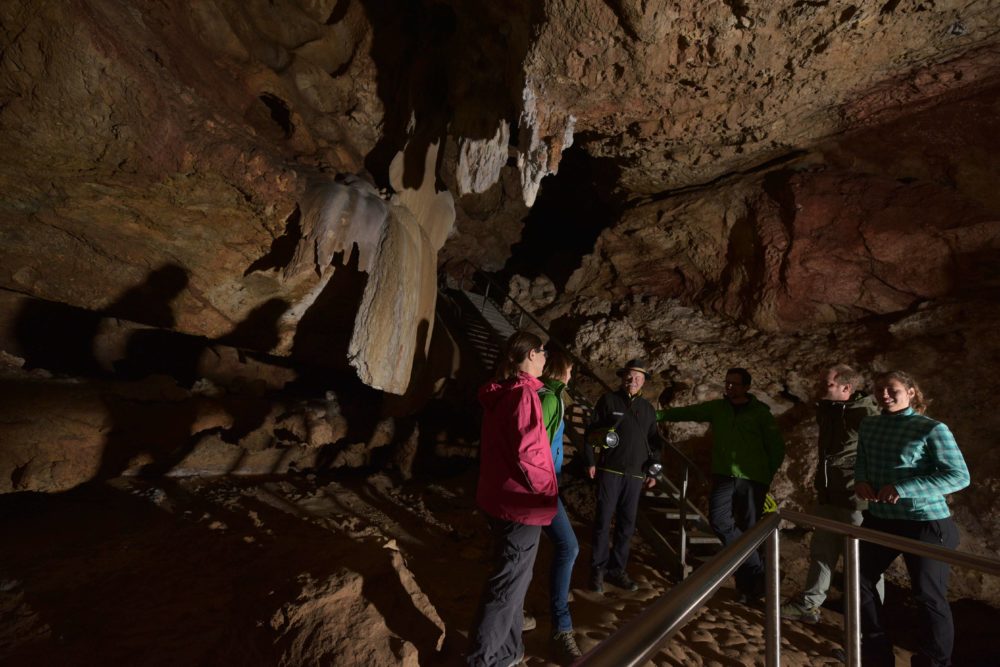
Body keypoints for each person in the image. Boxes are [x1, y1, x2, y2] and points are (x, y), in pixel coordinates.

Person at [854, 370, 969, 667]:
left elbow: (959, 476)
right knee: (859, 579)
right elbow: (863, 460)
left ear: (911, 392)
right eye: (879, 389)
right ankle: (876, 652)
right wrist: (862, 480)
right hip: (881, 517)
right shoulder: (869, 424)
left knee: (928, 596)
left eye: (892, 389)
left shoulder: (931, 429)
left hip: (925, 521)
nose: (885, 395)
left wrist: (905, 488)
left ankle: (933, 662)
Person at [468, 331, 559, 667]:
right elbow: (529, 454)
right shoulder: (523, 395)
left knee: (514, 580)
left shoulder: (504, 392)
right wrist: (547, 492)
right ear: (531, 355)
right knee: (507, 585)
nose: (546, 357)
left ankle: (507, 650)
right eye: (543, 352)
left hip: (502, 499)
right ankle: (484, 658)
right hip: (522, 505)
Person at [657, 367, 785, 601]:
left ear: (746, 387)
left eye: (735, 384)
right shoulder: (718, 408)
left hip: (752, 480)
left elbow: (776, 447)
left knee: (749, 529)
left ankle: (748, 590)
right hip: (724, 476)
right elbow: (690, 412)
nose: (729, 387)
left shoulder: (760, 413)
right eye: (727, 383)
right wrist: (658, 416)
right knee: (719, 521)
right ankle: (757, 569)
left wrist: (766, 476)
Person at [781, 364, 882, 623]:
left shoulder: (865, 414)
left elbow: (883, 453)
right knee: (822, 554)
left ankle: (868, 624)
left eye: (827, 384)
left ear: (846, 388)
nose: (819, 387)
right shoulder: (828, 411)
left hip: (855, 501)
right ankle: (810, 605)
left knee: (862, 566)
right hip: (828, 496)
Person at [584, 358, 665, 594]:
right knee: (602, 522)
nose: (633, 380)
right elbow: (591, 432)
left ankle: (616, 569)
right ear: (622, 378)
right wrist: (590, 461)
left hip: (635, 475)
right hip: (610, 471)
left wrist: (655, 469)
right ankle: (597, 570)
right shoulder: (608, 400)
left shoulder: (648, 410)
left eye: (638, 377)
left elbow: (655, 442)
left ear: (644, 382)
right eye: (629, 376)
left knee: (627, 526)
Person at [536, 347, 582, 661]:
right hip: (540, 488)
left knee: (526, 555)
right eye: (570, 370)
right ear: (562, 371)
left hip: (544, 485)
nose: (571, 376)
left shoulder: (549, 396)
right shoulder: (550, 398)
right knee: (568, 546)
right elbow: (536, 446)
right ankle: (561, 628)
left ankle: (549, 623)